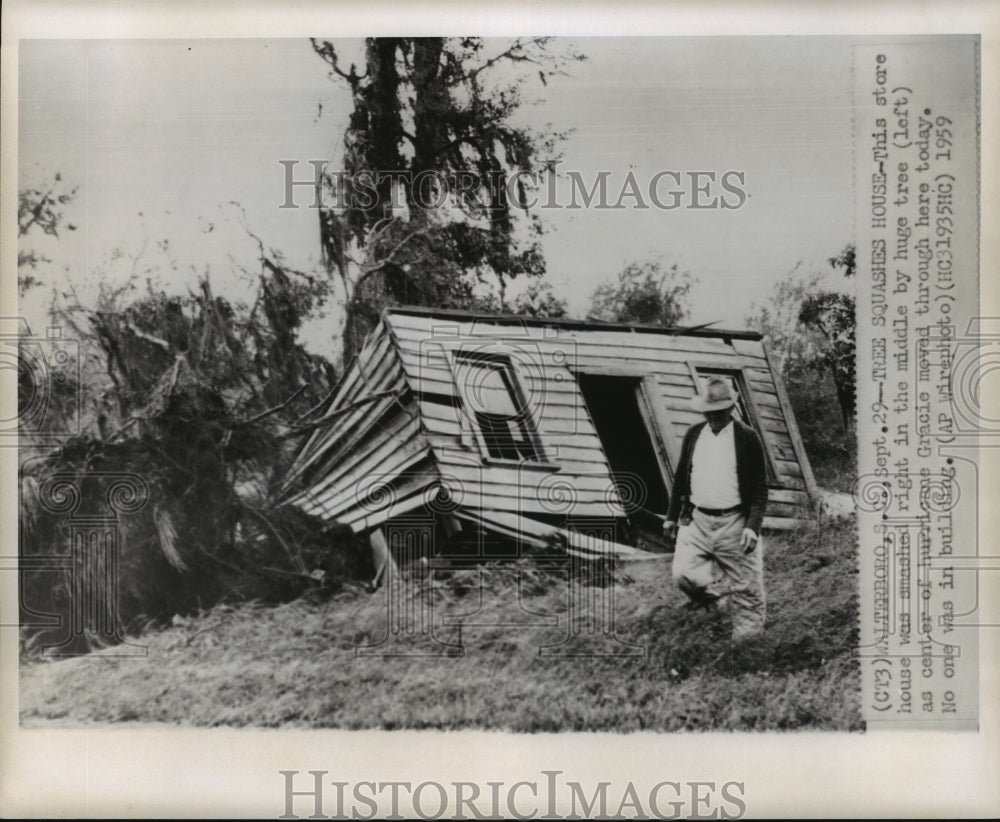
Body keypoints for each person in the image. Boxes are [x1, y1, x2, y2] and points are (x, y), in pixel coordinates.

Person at [662, 377, 769, 639]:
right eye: (709, 412)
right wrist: (671, 517)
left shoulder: (747, 437)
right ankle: (716, 603)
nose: (714, 417)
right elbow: (680, 480)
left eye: (719, 412)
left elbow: (759, 488)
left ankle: (748, 646)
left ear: (730, 409)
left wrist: (752, 528)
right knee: (684, 575)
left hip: (734, 522)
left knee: (747, 588)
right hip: (696, 520)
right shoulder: (694, 434)